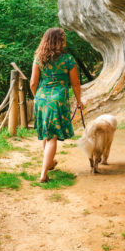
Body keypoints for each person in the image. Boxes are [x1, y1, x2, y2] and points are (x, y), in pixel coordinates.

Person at [29, 27, 83, 182]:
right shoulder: (68, 60)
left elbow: (33, 83)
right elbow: (75, 83)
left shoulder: (39, 58)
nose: (65, 40)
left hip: (41, 98)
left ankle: (50, 162)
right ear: (59, 41)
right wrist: (79, 101)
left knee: (47, 133)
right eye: (63, 38)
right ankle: (43, 174)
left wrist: (37, 98)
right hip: (58, 99)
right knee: (52, 137)